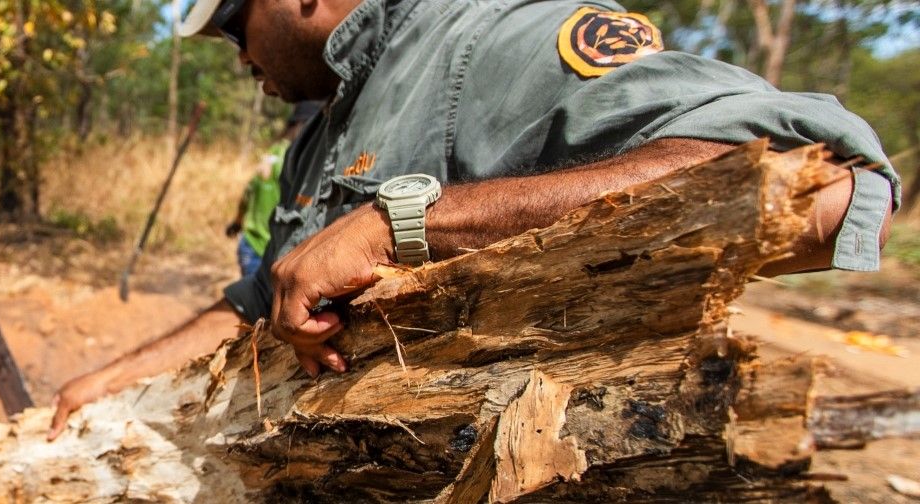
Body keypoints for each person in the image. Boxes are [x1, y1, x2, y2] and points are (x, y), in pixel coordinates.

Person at [47, 0, 900, 440]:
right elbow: (261, 301)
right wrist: (104, 384)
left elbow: (823, 186)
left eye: (234, 26)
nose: (239, 59)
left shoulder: (498, 41)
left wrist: (404, 223)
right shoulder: (324, 125)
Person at [226, 101, 320, 277]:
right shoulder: (295, 157)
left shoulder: (271, 153)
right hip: (268, 248)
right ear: (301, 124)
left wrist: (237, 222)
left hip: (250, 244)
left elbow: (248, 193)